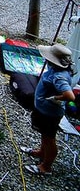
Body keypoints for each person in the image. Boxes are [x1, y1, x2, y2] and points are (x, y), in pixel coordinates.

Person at [22, 44, 75, 175]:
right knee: (44, 135)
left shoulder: (59, 76)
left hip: (50, 114)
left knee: (49, 139)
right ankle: (42, 152)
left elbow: (70, 96)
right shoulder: (55, 70)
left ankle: (46, 167)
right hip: (44, 111)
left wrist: (55, 98)